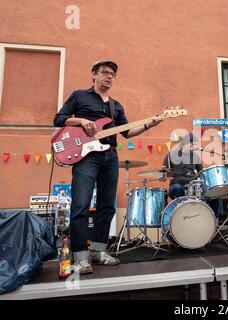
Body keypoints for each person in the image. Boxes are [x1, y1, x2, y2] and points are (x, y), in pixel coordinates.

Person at [53, 60, 162, 274]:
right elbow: (59, 119)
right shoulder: (79, 96)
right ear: (94, 75)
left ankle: (99, 252)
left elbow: (127, 132)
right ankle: (79, 257)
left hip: (109, 156)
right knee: (81, 206)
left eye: (112, 74)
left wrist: (150, 123)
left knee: (107, 206)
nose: (109, 76)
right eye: (104, 72)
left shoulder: (116, 105)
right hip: (86, 157)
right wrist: (82, 121)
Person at [162, 133, 220, 218]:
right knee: (177, 188)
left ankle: (214, 220)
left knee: (215, 194)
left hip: (194, 186)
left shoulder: (195, 156)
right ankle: (186, 215)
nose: (195, 147)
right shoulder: (171, 154)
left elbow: (202, 172)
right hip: (177, 184)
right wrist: (177, 173)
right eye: (193, 144)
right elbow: (164, 171)